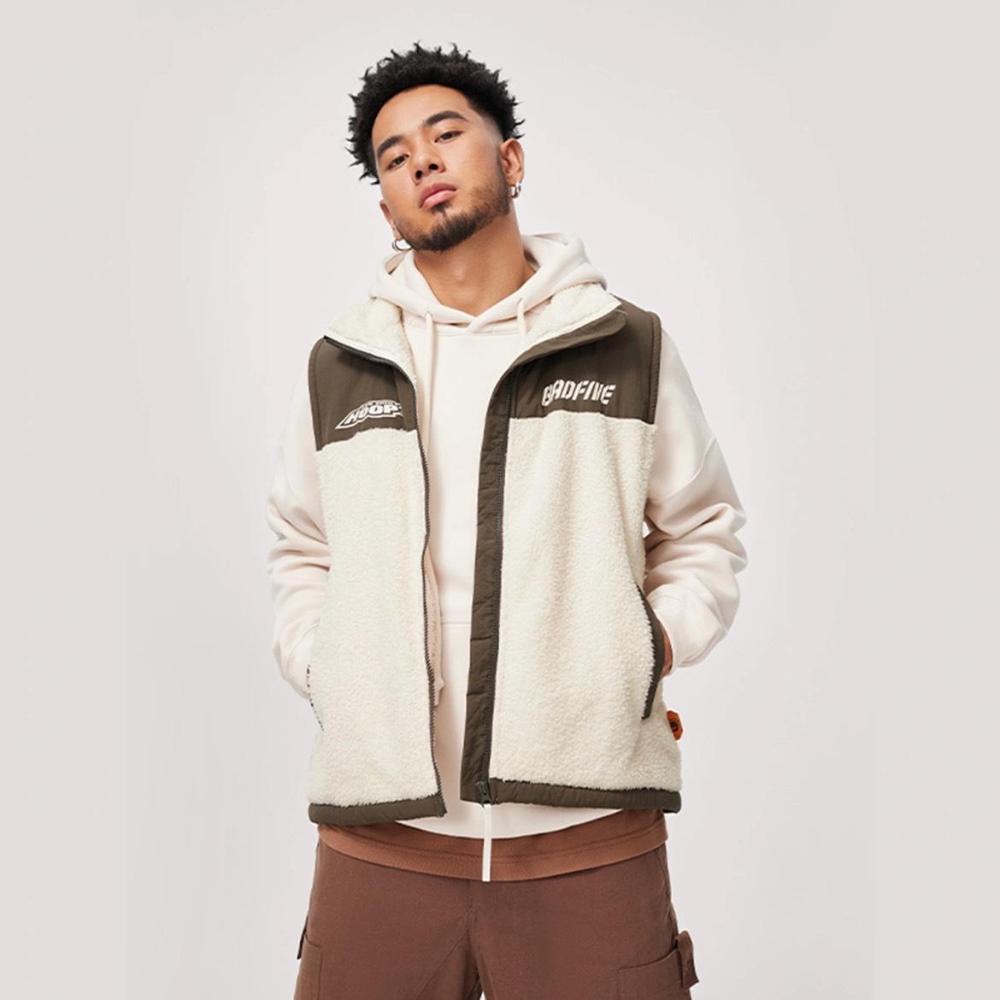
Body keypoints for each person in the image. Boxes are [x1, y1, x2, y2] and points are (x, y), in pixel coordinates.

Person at [265, 40, 748, 1000]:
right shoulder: (341, 364)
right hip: (380, 840)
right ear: (387, 207)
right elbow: (301, 552)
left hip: (587, 837)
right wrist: (329, 668)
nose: (423, 161)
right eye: (395, 156)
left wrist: (640, 650)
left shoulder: (623, 344)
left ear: (511, 158)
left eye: (445, 134)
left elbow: (702, 531)